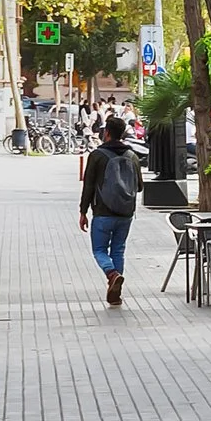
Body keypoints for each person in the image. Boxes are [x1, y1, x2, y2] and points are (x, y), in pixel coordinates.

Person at [78, 113, 141, 308]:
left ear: (106, 133)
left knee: (99, 250)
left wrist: (83, 211)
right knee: (118, 250)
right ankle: (115, 293)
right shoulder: (132, 155)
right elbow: (139, 186)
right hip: (126, 213)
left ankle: (111, 274)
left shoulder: (97, 155)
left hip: (103, 212)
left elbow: (88, 185)